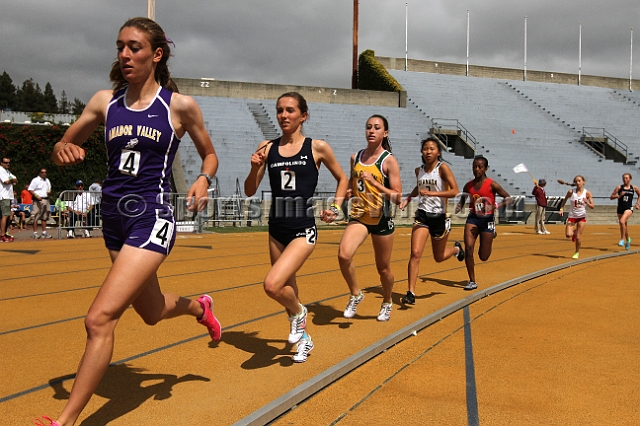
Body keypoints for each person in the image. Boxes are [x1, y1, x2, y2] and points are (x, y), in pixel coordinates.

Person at [38, 17, 221, 426]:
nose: (124, 54)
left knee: (99, 318)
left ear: (156, 54)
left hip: (152, 217)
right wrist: (62, 150)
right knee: (152, 312)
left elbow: (209, 154)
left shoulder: (179, 106)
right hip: (114, 220)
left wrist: (204, 179)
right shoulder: (105, 102)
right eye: (120, 46)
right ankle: (199, 307)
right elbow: (63, 145)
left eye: (134, 47)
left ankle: (65, 422)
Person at [244, 91, 348, 363]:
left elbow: (342, 179)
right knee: (287, 286)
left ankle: (300, 313)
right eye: (280, 110)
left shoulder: (317, 147)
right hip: (276, 228)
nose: (283, 115)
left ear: (303, 116)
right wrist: (254, 167)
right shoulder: (266, 147)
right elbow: (249, 190)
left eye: (290, 110)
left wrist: (336, 209)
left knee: (272, 285)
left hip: (303, 228)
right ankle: (304, 339)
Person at [338, 114, 402, 322]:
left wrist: (375, 184)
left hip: (381, 218)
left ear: (385, 133)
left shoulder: (389, 161)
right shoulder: (355, 157)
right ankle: (356, 294)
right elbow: (351, 184)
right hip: (360, 216)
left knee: (383, 268)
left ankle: (387, 301)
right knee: (344, 255)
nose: (371, 131)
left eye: (376, 127)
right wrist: (349, 193)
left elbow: (397, 195)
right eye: (368, 127)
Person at [398, 137, 465, 305]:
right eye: (425, 149)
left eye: (432, 149)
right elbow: (419, 188)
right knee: (415, 253)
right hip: (422, 215)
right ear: (422, 152)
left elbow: (455, 191)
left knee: (439, 256)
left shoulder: (443, 169)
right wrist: (408, 199)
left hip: (439, 216)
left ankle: (457, 249)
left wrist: (434, 194)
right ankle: (411, 292)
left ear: (438, 152)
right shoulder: (418, 170)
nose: (428, 152)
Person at [455, 156, 511, 290]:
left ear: (485, 168)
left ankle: (492, 233)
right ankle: (472, 281)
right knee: (468, 249)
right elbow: (463, 199)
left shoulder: (492, 184)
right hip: (473, 218)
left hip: (487, 220)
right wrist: (459, 206)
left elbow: (509, 199)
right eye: (474, 166)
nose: (476, 169)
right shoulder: (468, 185)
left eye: (480, 167)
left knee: (483, 256)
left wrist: (494, 206)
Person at [558, 175, 594, 259]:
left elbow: (592, 206)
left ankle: (577, 252)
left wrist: (587, 202)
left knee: (578, 237)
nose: (578, 183)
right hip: (572, 216)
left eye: (579, 181)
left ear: (583, 182)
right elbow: (565, 200)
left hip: (581, 216)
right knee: (568, 235)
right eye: (576, 181)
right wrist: (561, 209)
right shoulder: (571, 192)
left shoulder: (587, 193)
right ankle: (573, 233)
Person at [610, 173, 640, 250]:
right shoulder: (619, 187)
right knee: (624, 226)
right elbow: (611, 197)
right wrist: (618, 196)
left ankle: (622, 239)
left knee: (622, 221)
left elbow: (639, 195)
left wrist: (637, 203)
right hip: (620, 208)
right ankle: (628, 240)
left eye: (626, 178)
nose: (625, 179)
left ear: (630, 179)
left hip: (629, 208)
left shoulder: (634, 188)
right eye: (623, 178)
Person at [28, 168, 53, 239]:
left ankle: (44, 232)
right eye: (42, 172)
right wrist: (36, 195)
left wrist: (49, 192)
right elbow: (30, 189)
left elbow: (49, 189)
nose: (44, 173)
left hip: (46, 199)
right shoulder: (35, 180)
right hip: (38, 200)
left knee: (45, 216)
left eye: (45, 172)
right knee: (35, 216)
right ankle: (35, 233)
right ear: (39, 173)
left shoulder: (47, 180)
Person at [0, 157, 18, 242]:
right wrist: (11, 180)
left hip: (8, 196)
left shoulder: (7, 171)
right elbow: (6, 182)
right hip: (3, 196)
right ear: (1, 163)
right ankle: (2, 235)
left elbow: (16, 180)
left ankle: (4, 232)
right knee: (5, 215)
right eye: (5, 162)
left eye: (8, 162)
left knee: (5, 215)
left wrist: (11, 180)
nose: (7, 164)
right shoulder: (1, 170)